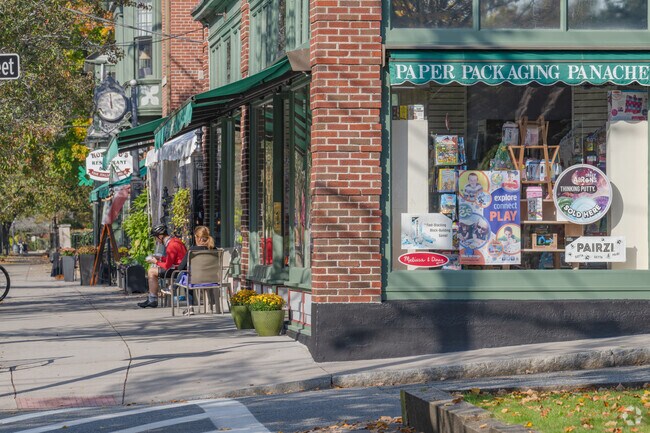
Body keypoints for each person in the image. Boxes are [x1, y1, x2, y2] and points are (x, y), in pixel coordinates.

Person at [138, 224, 187, 308]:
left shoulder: (171, 246)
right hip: (181, 268)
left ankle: (152, 299)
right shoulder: (175, 241)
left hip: (177, 271)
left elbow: (167, 266)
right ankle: (152, 298)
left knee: (151, 271)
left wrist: (155, 261)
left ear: (160, 236)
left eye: (156, 237)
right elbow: (172, 260)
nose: (156, 240)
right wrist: (160, 258)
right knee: (153, 269)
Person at [175, 226, 216, 315]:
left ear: (198, 238)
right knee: (187, 276)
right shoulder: (214, 249)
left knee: (186, 276)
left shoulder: (192, 250)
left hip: (195, 281)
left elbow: (180, 267)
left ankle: (190, 307)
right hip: (213, 280)